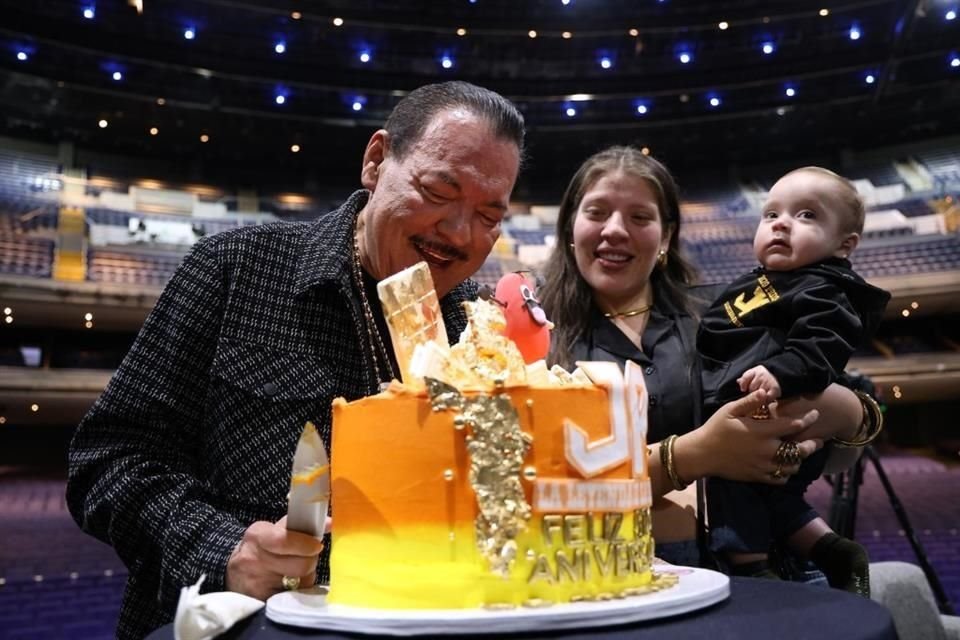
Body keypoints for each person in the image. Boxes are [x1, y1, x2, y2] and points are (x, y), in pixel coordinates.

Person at [66, 80, 525, 640]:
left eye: (488, 215)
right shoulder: (234, 269)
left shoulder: (480, 330)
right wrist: (224, 549)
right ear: (377, 162)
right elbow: (106, 460)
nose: (458, 232)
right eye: (437, 190)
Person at [539, 146, 871, 569]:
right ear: (570, 227)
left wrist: (838, 416)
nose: (615, 230)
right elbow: (546, 486)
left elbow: (849, 422)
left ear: (666, 236)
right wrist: (699, 453)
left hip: (766, 569)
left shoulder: (725, 313)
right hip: (606, 572)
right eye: (597, 212)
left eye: (640, 217)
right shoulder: (534, 338)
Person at [697, 167, 890, 593]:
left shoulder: (825, 289)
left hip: (781, 410)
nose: (781, 222)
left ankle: (751, 566)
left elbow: (820, 347)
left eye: (806, 215)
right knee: (776, 499)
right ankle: (833, 549)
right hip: (756, 407)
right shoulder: (768, 280)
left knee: (732, 482)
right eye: (771, 215)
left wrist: (780, 373)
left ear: (845, 245)